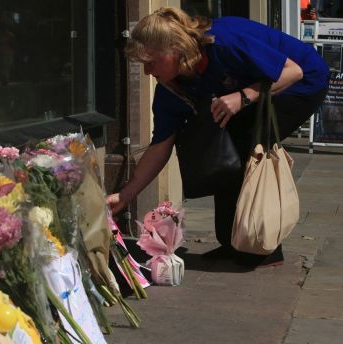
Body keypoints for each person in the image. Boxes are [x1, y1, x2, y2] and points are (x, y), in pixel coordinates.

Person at [106, 7, 328, 268]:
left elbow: (293, 72)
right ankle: (233, 243)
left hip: (301, 84)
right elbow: (160, 146)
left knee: (247, 149)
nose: (147, 72)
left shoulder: (224, 43)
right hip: (255, 94)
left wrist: (243, 96)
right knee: (222, 154)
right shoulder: (171, 89)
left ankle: (263, 246)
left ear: (174, 50)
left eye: (150, 63)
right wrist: (124, 195)